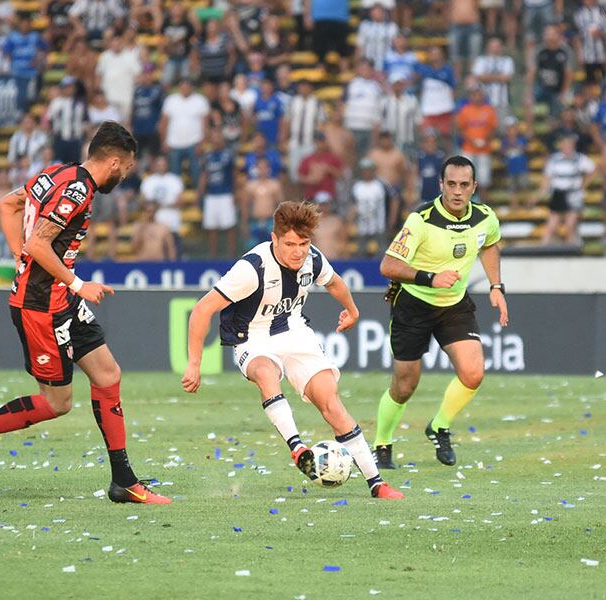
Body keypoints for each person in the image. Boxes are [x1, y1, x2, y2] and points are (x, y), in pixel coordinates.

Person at [0, 122, 171, 505]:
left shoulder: (56, 173)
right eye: (125, 169)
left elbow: (7, 205)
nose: (125, 176)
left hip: (60, 298)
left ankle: (124, 481)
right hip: (40, 306)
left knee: (108, 374)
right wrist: (77, 283)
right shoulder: (77, 190)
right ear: (113, 162)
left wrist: (17, 255)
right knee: (57, 403)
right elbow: (39, 242)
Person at [182, 201, 403, 500]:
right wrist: (194, 363)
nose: (298, 251)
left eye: (304, 243)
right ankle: (297, 448)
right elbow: (201, 310)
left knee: (330, 401)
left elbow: (335, 283)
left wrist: (352, 310)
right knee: (265, 373)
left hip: (295, 333)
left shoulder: (312, 259)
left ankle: (377, 483)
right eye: (289, 244)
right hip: (253, 338)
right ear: (274, 239)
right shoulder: (251, 268)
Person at [373, 155, 508, 470]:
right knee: (405, 386)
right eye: (451, 184)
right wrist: (430, 278)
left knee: (473, 373)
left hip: (453, 305)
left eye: (464, 185)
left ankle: (439, 426)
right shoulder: (421, 220)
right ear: (441, 185)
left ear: (474, 186)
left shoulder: (485, 217)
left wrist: (496, 286)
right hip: (414, 305)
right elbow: (388, 266)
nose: (457, 192)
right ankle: (382, 443)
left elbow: (489, 245)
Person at [538, 134, 597, 246]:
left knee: (570, 225)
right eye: (565, 145)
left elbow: (593, 169)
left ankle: (572, 252)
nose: (567, 147)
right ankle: (541, 250)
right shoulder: (554, 159)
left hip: (573, 195)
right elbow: (547, 178)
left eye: (569, 145)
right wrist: (540, 193)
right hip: (558, 194)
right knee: (551, 226)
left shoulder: (580, 158)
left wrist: (583, 185)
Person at [160, 78, 210, 187]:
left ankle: (199, 200)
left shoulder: (200, 100)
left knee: (196, 173)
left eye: (187, 87)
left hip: (194, 142)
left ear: (192, 88)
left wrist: (203, 143)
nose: (185, 89)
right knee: (174, 177)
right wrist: (164, 141)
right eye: (182, 87)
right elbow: (163, 123)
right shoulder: (170, 100)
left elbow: (205, 124)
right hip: (174, 143)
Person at [200, 128, 238, 258]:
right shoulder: (207, 156)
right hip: (211, 195)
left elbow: (234, 175)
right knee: (211, 227)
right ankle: (212, 256)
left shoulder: (229, 154)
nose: (216, 140)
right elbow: (204, 175)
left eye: (218, 137)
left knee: (230, 226)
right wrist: (200, 193)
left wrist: (235, 192)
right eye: (213, 137)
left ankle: (231, 255)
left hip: (226, 193)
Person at [455, 85, 498, 195]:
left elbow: (493, 129)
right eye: (474, 94)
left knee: (483, 180)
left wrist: (485, 140)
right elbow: (460, 129)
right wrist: (472, 141)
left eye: (479, 94)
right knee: (464, 179)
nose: (477, 97)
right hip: (468, 148)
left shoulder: (489, 110)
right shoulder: (465, 110)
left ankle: (483, 208)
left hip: (484, 149)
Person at [140, 155, 185, 256]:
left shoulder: (175, 180)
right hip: (154, 227)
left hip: (172, 224)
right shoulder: (148, 181)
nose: (161, 166)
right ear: (155, 166)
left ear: (167, 165)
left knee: (173, 254)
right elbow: (143, 202)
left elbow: (180, 202)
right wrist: (159, 205)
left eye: (163, 164)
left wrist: (159, 205)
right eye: (159, 164)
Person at [349, 158, 391, 257]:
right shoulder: (357, 186)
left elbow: (394, 199)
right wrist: (350, 219)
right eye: (364, 170)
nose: (367, 172)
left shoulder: (380, 185)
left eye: (369, 170)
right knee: (360, 252)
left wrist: (391, 220)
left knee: (382, 253)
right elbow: (353, 205)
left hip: (379, 225)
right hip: (362, 226)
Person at [242, 157, 283, 248]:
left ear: (269, 169)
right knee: (253, 251)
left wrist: (280, 225)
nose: (262, 170)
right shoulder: (250, 185)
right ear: (256, 169)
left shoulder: (275, 185)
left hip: (270, 223)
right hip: (254, 222)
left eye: (265, 167)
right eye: (260, 168)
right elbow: (245, 206)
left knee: (272, 251)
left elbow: (281, 207)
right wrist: (245, 225)